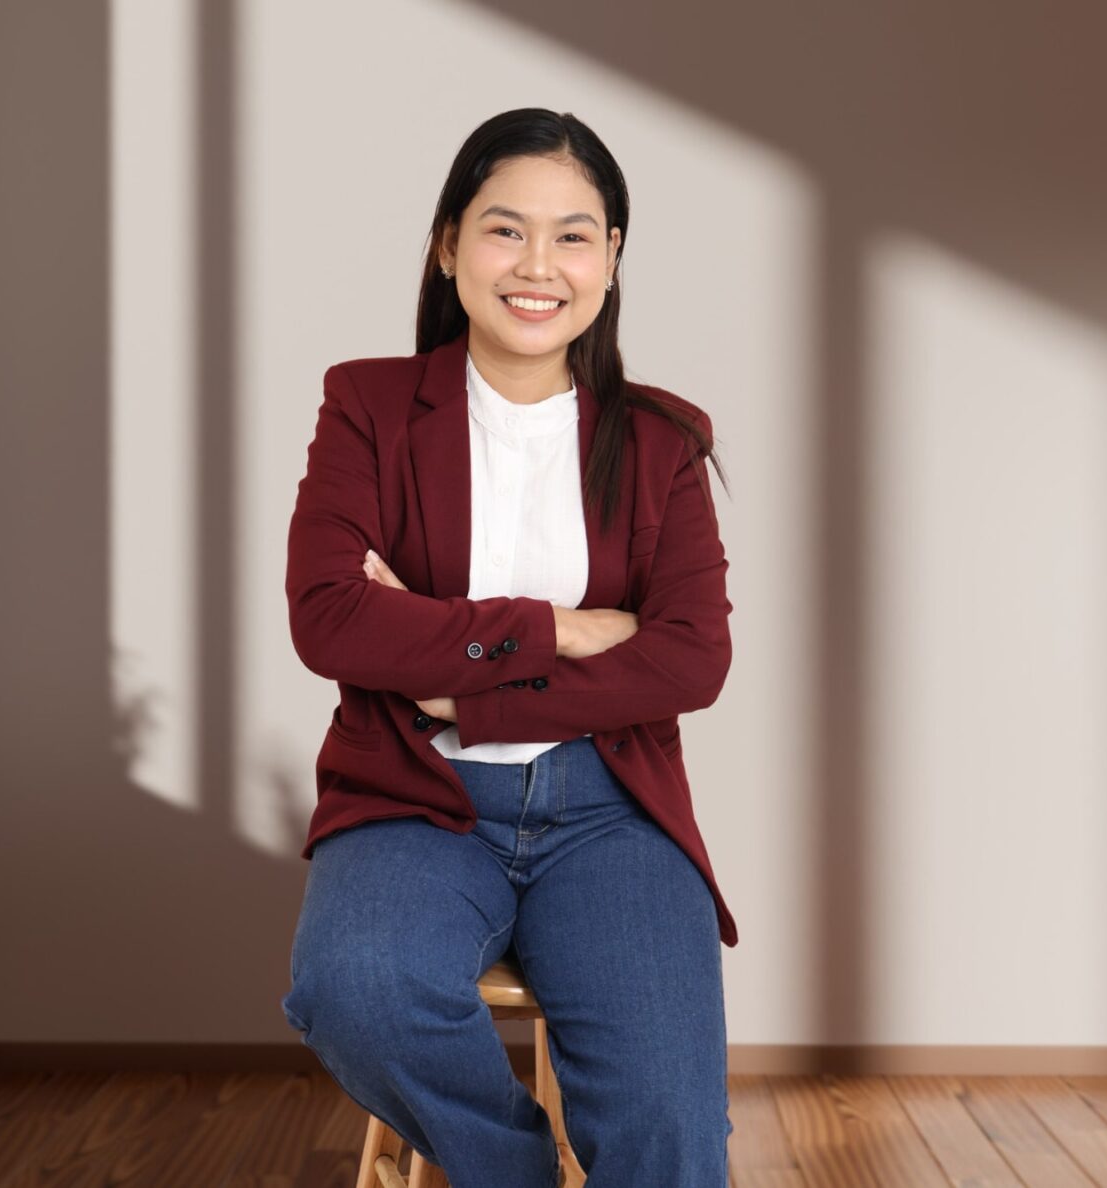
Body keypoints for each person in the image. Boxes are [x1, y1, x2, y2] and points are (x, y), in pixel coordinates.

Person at [278, 107, 739, 1187]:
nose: (539, 266)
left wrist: (465, 685)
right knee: (356, 990)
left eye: (574, 234)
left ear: (612, 258)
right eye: (504, 230)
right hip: (412, 800)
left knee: (668, 1134)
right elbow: (330, 619)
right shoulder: (369, 405)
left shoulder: (664, 438)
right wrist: (562, 631)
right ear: (448, 245)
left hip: (610, 814)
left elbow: (690, 659)